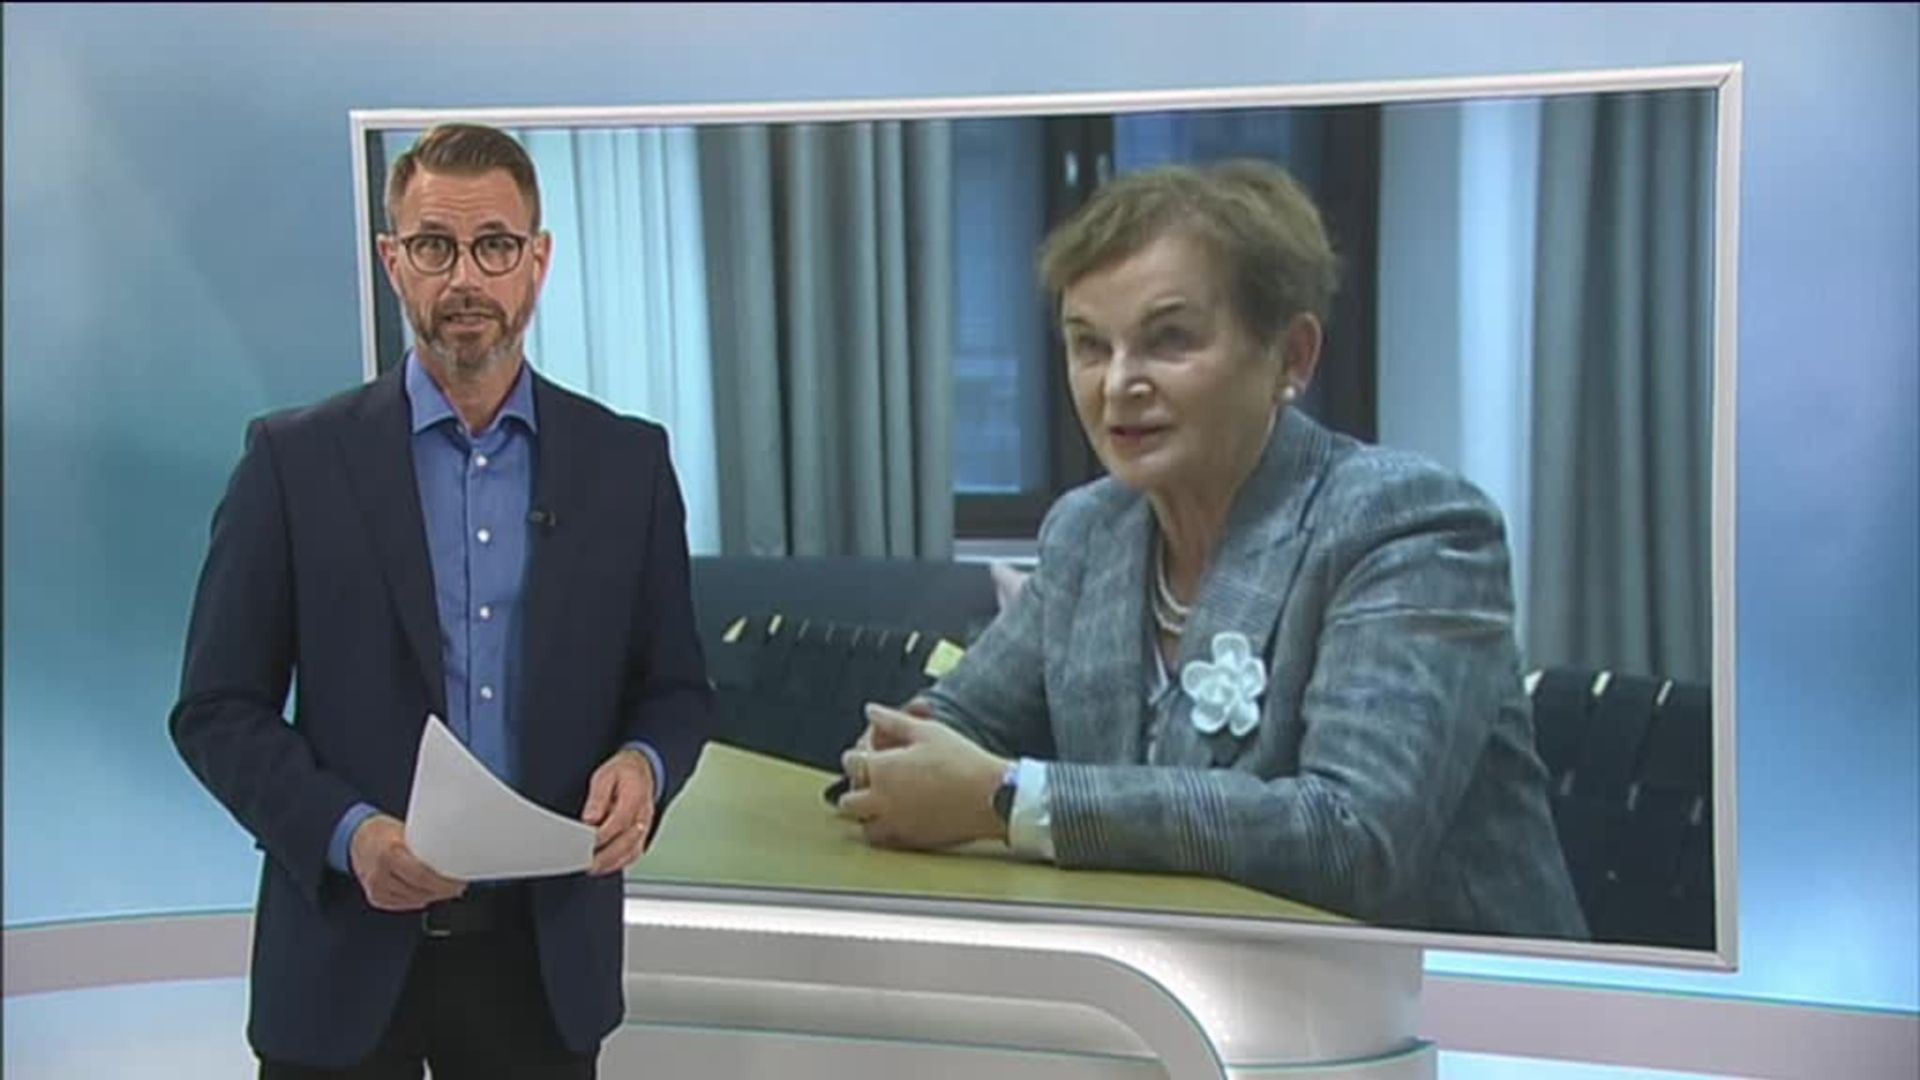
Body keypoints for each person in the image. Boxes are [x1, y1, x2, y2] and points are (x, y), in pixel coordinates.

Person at [835, 159, 1588, 941]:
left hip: (1442, 995)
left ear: (1292, 357)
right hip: (1174, 974)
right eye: (1089, 346)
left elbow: (1353, 836)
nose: (1117, 384)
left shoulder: (1405, 523)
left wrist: (1008, 799)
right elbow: (964, 717)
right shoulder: (1088, 530)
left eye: (1168, 341)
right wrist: (901, 749)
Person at [170, 123, 714, 1077]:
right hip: (341, 960)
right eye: (434, 246)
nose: (466, 277)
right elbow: (217, 710)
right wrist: (349, 836)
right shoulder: (293, 463)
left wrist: (646, 765)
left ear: (538, 260)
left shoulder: (626, 464)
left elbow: (676, 689)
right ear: (394, 262)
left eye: (495, 245)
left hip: (540, 969)